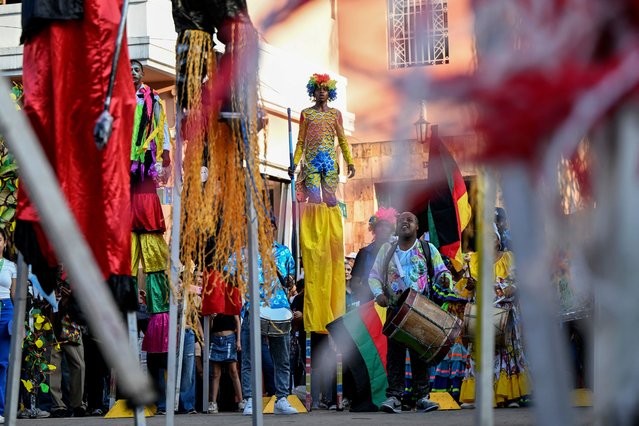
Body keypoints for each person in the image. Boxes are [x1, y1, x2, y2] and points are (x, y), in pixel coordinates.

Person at [369, 212, 462, 414]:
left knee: (420, 354)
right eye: (401, 219)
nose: (405, 222)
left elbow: (442, 272)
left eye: (410, 220)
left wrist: (445, 279)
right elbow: (374, 276)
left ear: (417, 226)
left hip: (421, 311)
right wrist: (378, 295)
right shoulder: (387, 249)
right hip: (395, 312)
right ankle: (394, 397)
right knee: (395, 355)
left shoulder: (427, 249)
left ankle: (422, 397)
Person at [236, 221, 298, 415]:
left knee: (282, 358)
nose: (265, 232)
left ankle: (282, 399)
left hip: (278, 308)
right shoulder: (244, 253)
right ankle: (250, 400)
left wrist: (289, 281)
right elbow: (229, 274)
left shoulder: (285, 252)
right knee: (249, 358)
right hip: (253, 308)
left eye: (269, 229)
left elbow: (290, 281)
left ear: (274, 230)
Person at [288, 73, 355, 206]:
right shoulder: (306, 114)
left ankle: (330, 227)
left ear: (330, 92)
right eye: (319, 89)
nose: (322, 92)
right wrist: (294, 163)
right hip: (311, 164)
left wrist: (350, 162)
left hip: (330, 164)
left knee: (330, 200)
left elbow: (342, 141)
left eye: (325, 89)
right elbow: (301, 142)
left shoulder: (335, 114)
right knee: (314, 200)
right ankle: (315, 227)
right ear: (313, 92)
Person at [351, 207, 397, 303]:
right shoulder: (364, 253)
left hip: (393, 301)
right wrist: (368, 291)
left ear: (391, 229)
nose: (383, 229)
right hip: (370, 304)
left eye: (387, 226)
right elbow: (354, 283)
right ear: (374, 229)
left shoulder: (397, 251)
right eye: (380, 226)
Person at [208, 313, 242, 414]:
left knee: (233, 370)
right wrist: (211, 318)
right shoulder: (213, 302)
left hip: (229, 337)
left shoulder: (230, 300)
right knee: (215, 373)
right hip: (215, 338)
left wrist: (238, 340)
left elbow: (237, 321)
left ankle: (241, 401)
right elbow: (209, 327)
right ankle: (213, 403)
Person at [0, 230, 16, 423]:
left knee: (2, 363)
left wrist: (18, 322)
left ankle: (1, 409)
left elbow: (15, 294)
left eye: (0, 240)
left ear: (5, 243)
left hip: (6, 310)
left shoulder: (12, 266)